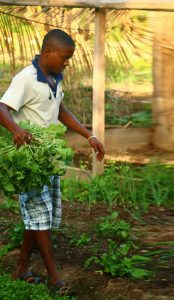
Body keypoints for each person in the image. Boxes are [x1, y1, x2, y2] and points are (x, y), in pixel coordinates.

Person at [0, 29, 105, 295]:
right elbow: (2, 108)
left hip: (48, 158)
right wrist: (15, 130)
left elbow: (60, 110)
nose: (67, 62)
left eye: (69, 58)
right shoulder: (25, 78)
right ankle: (55, 278)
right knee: (41, 219)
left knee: (38, 218)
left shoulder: (56, 78)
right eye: (65, 57)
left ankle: (21, 268)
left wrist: (89, 135)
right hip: (29, 163)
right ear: (48, 52)